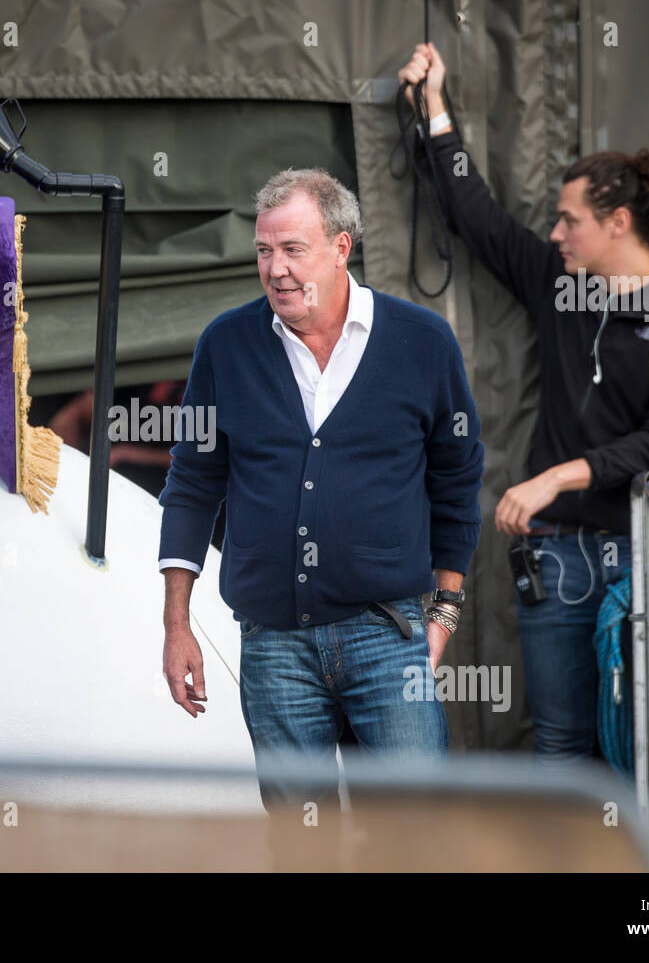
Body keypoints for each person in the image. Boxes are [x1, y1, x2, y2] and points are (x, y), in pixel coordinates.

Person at [398, 43, 649, 762]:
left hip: (645, 555)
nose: (554, 234)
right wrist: (433, 107)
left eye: (568, 220)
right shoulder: (559, 283)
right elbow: (476, 217)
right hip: (553, 559)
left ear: (618, 223)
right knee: (560, 744)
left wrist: (557, 475)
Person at [157, 168, 484, 857]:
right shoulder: (227, 344)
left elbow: (458, 479)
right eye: (263, 251)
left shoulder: (422, 343)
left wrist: (446, 610)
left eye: (292, 249)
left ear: (341, 247)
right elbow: (192, 480)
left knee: (411, 838)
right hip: (273, 644)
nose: (274, 269)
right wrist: (177, 624)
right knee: (302, 848)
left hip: (386, 632)